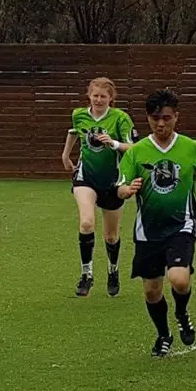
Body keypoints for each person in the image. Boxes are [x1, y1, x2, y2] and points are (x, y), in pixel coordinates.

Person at [114, 89, 196, 358]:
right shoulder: (136, 152)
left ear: (176, 117)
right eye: (155, 118)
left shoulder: (191, 147)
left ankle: (182, 313)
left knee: (179, 278)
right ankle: (164, 335)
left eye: (167, 118)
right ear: (148, 118)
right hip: (147, 230)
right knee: (151, 291)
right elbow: (120, 187)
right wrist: (127, 191)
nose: (161, 124)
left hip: (181, 224)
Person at [61, 77, 136, 298]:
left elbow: (133, 147)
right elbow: (74, 132)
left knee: (111, 235)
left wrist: (112, 143)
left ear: (111, 98)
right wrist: (66, 155)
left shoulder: (120, 118)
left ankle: (113, 271)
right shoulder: (79, 115)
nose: (99, 100)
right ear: (89, 96)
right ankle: (87, 274)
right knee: (86, 222)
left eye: (104, 96)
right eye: (95, 96)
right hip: (86, 177)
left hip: (113, 181)